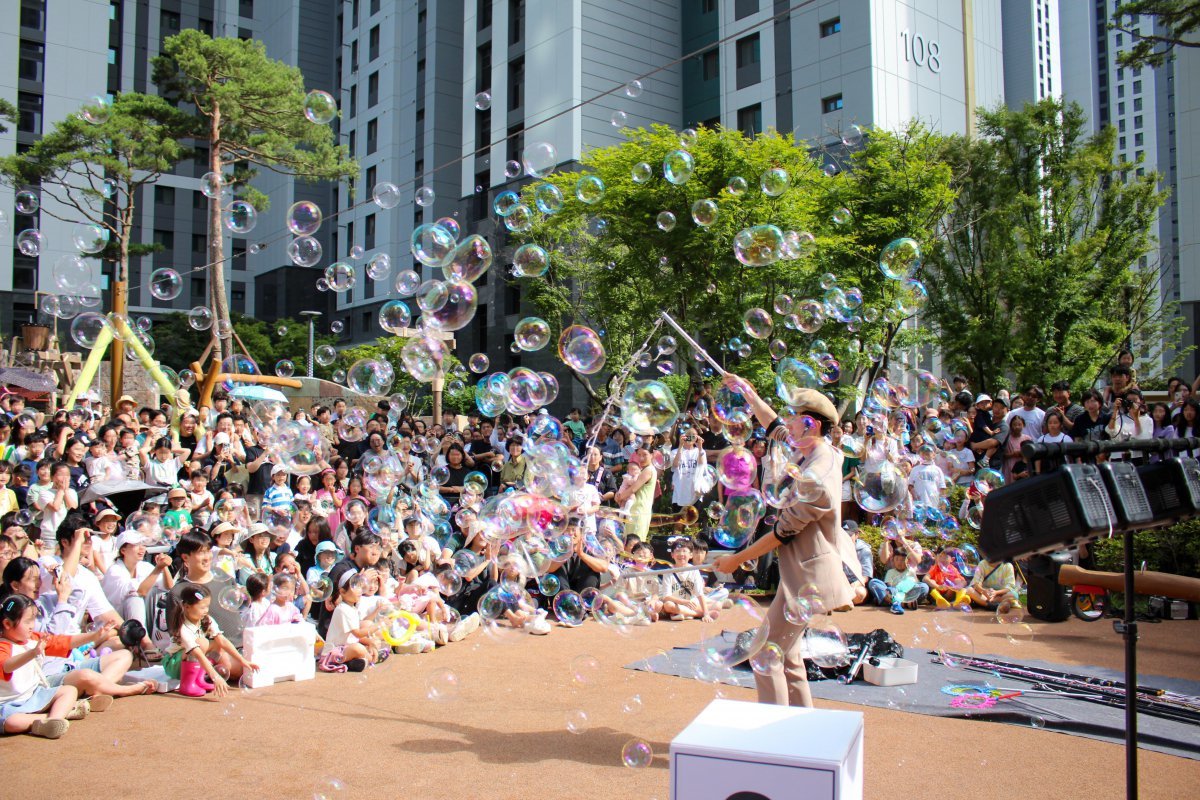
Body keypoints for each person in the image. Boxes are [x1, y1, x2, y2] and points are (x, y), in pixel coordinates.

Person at [712, 374, 860, 708]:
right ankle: (802, 732)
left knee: (765, 653)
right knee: (788, 657)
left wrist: (736, 559)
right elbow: (773, 425)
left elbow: (782, 533)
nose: (789, 425)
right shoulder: (810, 448)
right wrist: (747, 392)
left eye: (796, 419)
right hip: (799, 575)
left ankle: (773, 736)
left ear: (813, 425)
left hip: (809, 578)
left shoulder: (817, 476)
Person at [0, 595, 85, 739]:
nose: (32, 625)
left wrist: (96, 635)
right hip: (9, 705)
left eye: (33, 620)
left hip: (34, 694)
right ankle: (58, 715)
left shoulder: (33, 638)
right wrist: (33, 653)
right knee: (12, 723)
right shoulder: (2, 646)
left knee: (69, 691)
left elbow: (63, 642)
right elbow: (6, 666)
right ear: (7, 624)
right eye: (27, 621)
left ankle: (52, 720)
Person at [164, 583, 257, 698]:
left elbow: (223, 641)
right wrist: (215, 677)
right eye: (202, 607)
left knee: (217, 644)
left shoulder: (206, 619)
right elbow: (197, 654)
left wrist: (243, 660)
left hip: (193, 660)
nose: (206, 610)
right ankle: (188, 683)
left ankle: (199, 679)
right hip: (174, 664)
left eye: (207, 606)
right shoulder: (183, 628)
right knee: (201, 642)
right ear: (187, 607)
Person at [615, 449, 657, 542]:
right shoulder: (640, 470)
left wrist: (620, 497)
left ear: (651, 455)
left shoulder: (649, 469)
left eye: (645, 455)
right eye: (639, 455)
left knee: (635, 543)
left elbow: (633, 488)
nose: (641, 458)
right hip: (633, 510)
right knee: (628, 542)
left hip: (640, 511)